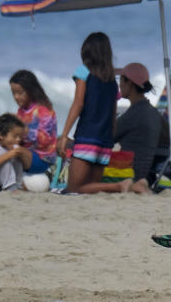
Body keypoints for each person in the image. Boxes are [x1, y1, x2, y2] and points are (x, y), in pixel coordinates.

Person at [57, 32, 123, 194]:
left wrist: (65, 134)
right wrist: (110, 138)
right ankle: (120, 187)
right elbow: (113, 113)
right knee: (90, 190)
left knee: (74, 189)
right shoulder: (112, 82)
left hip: (87, 136)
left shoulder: (83, 72)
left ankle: (119, 186)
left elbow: (78, 103)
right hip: (105, 139)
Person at [113, 63, 161, 194]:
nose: (119, 85)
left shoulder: (135, 113)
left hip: (127, 171)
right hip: (144, 172)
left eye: (121, 80)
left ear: (129, 83)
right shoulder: (153, 112)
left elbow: (108, 137)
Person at [9, 70, 58, 174]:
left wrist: (25, 131)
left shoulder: (43, 110)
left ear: (31, 90)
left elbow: (45, 142)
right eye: (14, 93)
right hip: (28, 155)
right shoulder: (21, 111)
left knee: (17, 151)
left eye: (20, 93)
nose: (16, 97)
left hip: (44, 158)